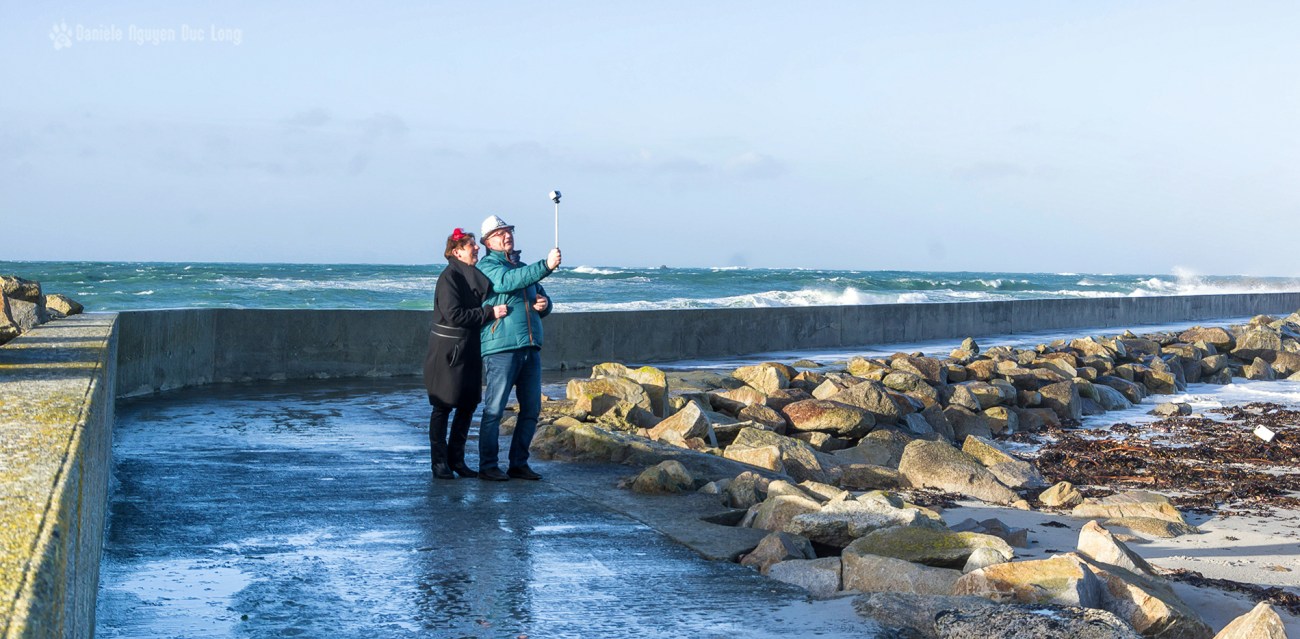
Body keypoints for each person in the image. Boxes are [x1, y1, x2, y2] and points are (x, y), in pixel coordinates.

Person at [475, 214, 561, 481]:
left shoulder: (522, 267)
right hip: (501, 347)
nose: (506, 235)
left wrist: (544, 305)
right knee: (494, 410)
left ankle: (518, 464)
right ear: (488, 242)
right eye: (500, 233)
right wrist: (545, 265)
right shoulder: (488, 267)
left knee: (531, 410)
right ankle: (488, 465)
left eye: (508, 231)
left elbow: (541, 297)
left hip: (530, 347)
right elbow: (506, 283)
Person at [422, 228, 508, 480]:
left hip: (469, 349)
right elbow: (454, 315)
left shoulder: (470, 274)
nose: (477, 248)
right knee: (443, 407)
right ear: (457, 251)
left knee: (468, 405)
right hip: (448, 352)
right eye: (472, 245)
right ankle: (439, 463)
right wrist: (489, 313)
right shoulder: (449, 277)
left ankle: (457, 460)